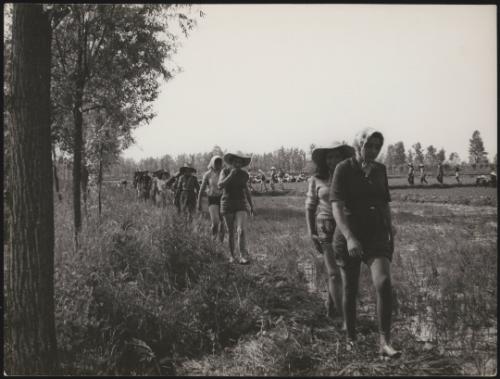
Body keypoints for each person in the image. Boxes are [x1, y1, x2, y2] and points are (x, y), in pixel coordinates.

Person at [330, 127, 401, 358]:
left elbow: (384, 203)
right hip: (349, 235)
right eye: (368, 145)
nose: (372, 150)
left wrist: (390, 229)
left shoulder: (380, 170)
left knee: (384, 283)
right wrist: (350, 237)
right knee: (350, 288)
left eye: (377, 147)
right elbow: (337, 207)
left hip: (376, 235)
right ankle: (351, 338)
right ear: (358, 144)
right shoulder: (343, 169)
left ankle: (385, 342)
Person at [305, 142, 355, 322]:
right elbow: (310, 208)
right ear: (324, 161)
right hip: (325, 224)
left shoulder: (350, 177)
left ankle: (334, 308)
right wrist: (311, 232)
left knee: (346, 271)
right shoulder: (316, 180)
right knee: (333, 272)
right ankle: (343, 317)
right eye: (329, 157)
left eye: (336, 156)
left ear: (343, 158)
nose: (333, 160)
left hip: (345, 224)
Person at [218, 152, 255, 264]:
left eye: (240, 162)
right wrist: (231, 175)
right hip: (227, 203)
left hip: (240, 204)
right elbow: (220, 185)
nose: (238, 163)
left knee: (241, 230)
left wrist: (251, 205)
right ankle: (232, 255)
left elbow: (246, 190)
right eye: (236, 161)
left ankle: (242, 255)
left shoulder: (244, 175)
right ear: (232, 162)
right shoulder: (224, 171)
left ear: (242, 163)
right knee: (230, 232)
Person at [198, 156, 225, 242]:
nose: (218, 165)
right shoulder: (207, 174)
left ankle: (221, 242)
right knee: (215, 222)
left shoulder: (224, 173)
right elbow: (201, 189)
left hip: (223, 199)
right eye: (216, 162)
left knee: (223, 222)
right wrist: (199, 202)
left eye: (219, 163)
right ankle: (213, 239)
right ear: (212, 163)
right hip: (212, 199)